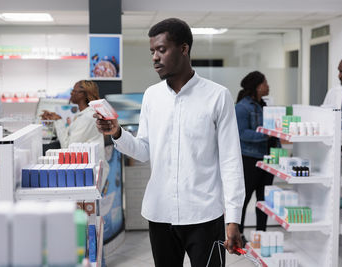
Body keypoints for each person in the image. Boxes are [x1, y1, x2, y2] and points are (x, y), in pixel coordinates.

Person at [94, 18, 245, 267]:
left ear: (183, 49)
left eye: (161, 50)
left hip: (205, 215)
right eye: (152, 51)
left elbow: (230, 161)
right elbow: (144, 150)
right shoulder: (152, 96)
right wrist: (117, 132)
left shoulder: (217, 96)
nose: (155, 57)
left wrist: (234, 219)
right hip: (160, 214)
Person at [235, 71, 277, 244]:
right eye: (266, 82)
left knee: (264, 200)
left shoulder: (264, 105)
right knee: (244, 200)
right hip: (250, 159)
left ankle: (262, 235)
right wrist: (265, 135)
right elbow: (241, 133)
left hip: (268, 159)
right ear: (258, 86)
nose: (268, 86)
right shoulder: (242, 107)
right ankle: (239, 234)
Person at [40, 80, 105, 149]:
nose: (71, 93)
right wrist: (51, 122)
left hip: (89, 158)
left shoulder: (88, 117)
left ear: (83, 94)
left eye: (74, 90)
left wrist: (58, 120)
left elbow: (68, 146)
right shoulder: (81, 114)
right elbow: (66, 136)